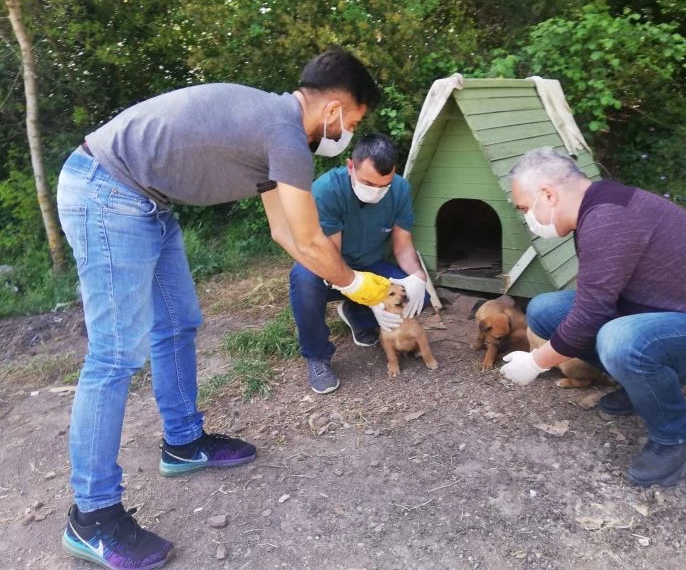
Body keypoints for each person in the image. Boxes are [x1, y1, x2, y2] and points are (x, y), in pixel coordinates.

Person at [56, 49, 391, 570]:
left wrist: (345, 280)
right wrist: (357, 285)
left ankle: (184, 443)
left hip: (145, 200)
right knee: (116, 354)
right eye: (353, 119)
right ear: (333, 110)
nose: (348, 130)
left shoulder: (274, 130)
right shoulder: (282, 133)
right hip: (107, 191)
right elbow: (307, 237)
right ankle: (92, 516)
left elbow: (284, 233)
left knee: (178, 324)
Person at [499, 147, 686, 488]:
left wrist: (536, 362)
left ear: (548, 194)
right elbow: (596, 299)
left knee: (620, 341)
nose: (526, 218)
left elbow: (591, 314)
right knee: (545, 310)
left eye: (525, 208)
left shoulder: (608, 218)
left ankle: (681, 435)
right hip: (664, 318)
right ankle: (642, 388)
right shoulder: (598, 207)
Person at [289, 133, 429, 394]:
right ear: (350, 166)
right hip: (330, 267)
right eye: (368, 182)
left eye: (383, 185)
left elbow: (403, 245)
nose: (376, 191)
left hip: (372, 266)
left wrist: (418, 278)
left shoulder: (400, 189)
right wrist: (367, 294)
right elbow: (332, 258)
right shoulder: (327, 190)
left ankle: (357, 315)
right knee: (304, 279)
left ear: (394, 173)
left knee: (419, 298)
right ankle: (317, 356)